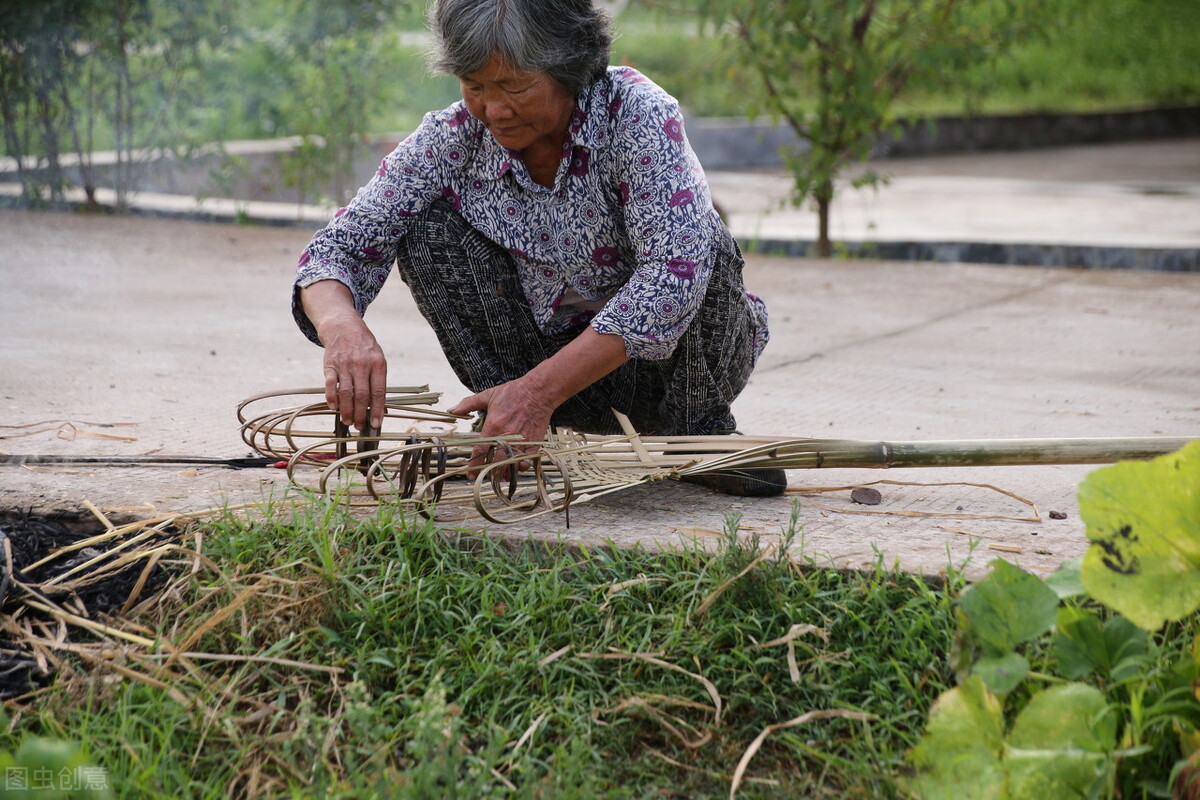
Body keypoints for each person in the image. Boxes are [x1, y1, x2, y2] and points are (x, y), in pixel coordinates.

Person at [292, 0, 785, 496]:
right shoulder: (453, 138)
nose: (494, 109)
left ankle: (700, 435)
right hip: (540, 373)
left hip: (677, 372)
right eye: (475, 87)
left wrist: (537, 393)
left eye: (515, 87)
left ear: (568, 69)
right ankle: (511, 423)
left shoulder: (636, 113)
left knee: (701, 241)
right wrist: (343, 330)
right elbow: (339, 248)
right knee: (427, 233)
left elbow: (673, 274)